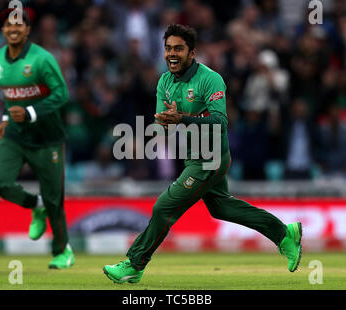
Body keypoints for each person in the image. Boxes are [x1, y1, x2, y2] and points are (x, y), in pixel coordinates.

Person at [103, 24, 302, 284]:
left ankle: (135, 264)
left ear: (192, 52)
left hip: (211, 157)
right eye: (167, 48)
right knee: (221, 207)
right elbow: (163, 122)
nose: (171, 54)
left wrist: (181, 118)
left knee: (164, 206)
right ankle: (284, 233)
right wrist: (156, 126)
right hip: (192, 155)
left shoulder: (211, 79)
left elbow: (220, 122)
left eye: (178, 48)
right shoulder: (164, 81)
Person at [0, 8, 74, 269]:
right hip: (15, 134)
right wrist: (5, 119)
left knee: (54, 197)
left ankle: (62, 251)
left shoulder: (42, 59)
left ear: (27, 30)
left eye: (19, 24)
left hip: (47, 138)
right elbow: (10, 95)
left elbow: (62, 94)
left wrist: (30, 112)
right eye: (8, 24)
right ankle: (36, 205)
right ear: (3, 30)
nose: (13, 29)